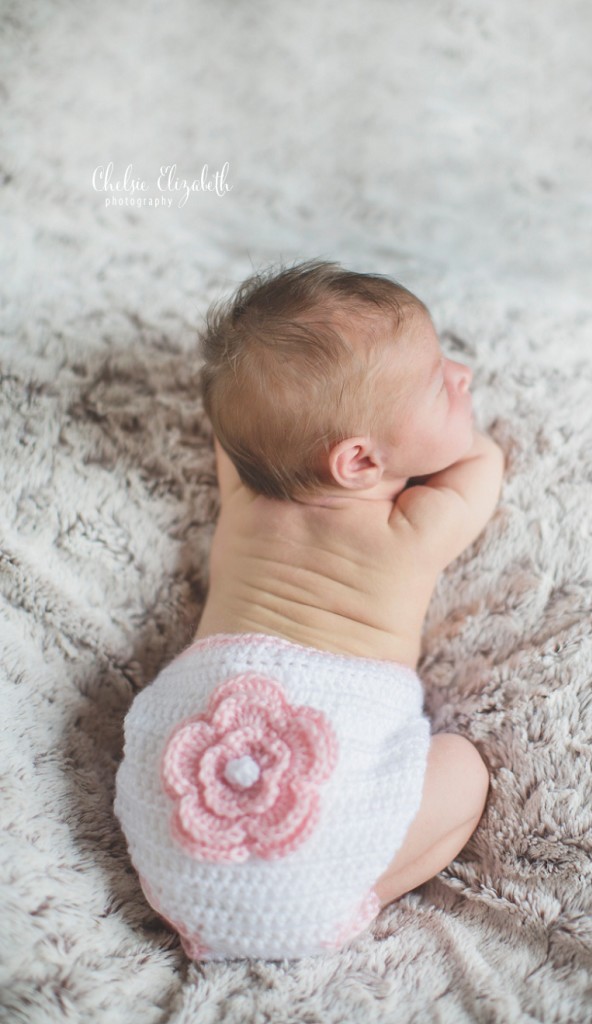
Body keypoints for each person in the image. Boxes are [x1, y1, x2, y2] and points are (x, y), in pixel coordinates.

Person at [114, 259, 505, 960]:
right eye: (436, 384)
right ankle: (343, 895)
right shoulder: (408, 532)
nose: (461, 375)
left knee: (200, 775)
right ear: (356, 463)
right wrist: (452, 442)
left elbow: (238, 426)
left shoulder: (245, 495)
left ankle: (258, 903)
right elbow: (482, 464)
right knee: (465, 771)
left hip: (180, 815)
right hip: (321, 769)